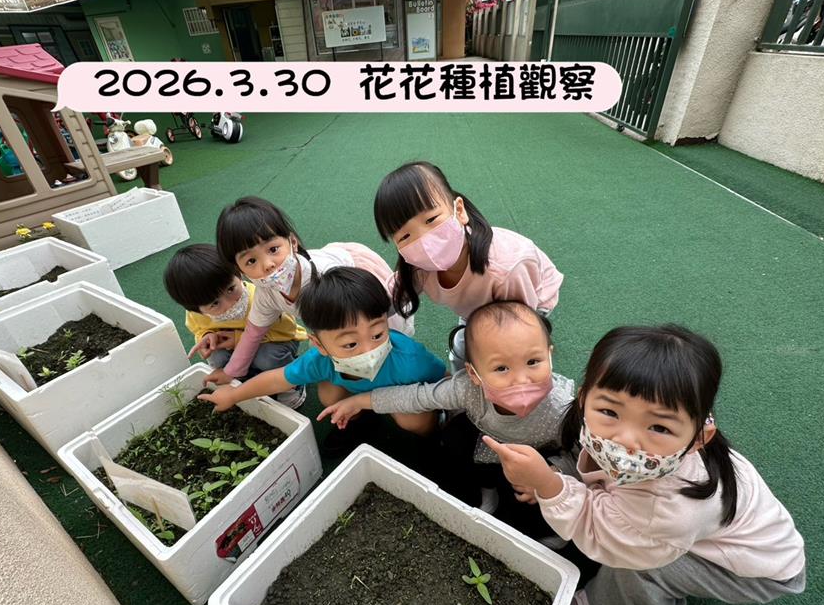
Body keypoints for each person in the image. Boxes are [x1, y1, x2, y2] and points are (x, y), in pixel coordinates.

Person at [485, 325, 806, 605]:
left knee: (637, 567)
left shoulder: (668, 509)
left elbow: (613, 540)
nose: (626, 440)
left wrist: (548, 484)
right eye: (609, 411)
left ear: (699, 438)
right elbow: (591, 459)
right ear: (584, 399)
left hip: (758, 570)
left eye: (658, 427)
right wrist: (558, 473)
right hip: (699, 532)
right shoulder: (653, 451)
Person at [318, 300, 574, 524]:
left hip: (535, 460)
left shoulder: (563, 409)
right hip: (486, 447)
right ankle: (484, 487)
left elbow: (581, 457)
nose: (521, 379)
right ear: (473, 373)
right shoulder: (468, 388)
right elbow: (418, 396)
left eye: (533, 362)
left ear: (549, 355)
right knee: (454, 437)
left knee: (527, 511)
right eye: (501, 368)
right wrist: (360, 401)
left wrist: (552, 475)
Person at [201, 267, 444, 448]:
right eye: (350, 344)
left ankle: (433, 438)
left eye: (378, 334)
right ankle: (361, 421)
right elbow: (277, 379)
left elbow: (443, 379)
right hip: (354, 394)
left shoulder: (408, 358)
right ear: (319, 345)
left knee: (412, 419)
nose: (368, 350)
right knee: (329, 396)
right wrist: (233, 395)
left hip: (400, 399)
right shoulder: (320, 360)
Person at [207, 196, 413, 387]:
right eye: (251, 261)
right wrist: (231, 372)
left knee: (378, 327)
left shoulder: (324, 276)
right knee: (337, 347)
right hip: (330, 302)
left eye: (273, 249)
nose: (268, 265)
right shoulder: (266, 295)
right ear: (240, 271)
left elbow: (373, 307)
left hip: (355, 281)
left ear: (292, 242)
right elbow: (253, 333)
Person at [373, 161, 563, 367]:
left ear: (459, 210)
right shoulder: (418, 269)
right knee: (463, 348)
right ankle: (463, 378)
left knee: (492, 351)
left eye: (431, 220)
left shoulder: (505, 268)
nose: (424, 240)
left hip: (530, 296)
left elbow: (520, 324)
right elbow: (387, 299)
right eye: (405, 236)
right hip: (477, 305)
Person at [163, 244, 305, 407]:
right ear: (196, 309)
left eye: (231, 289)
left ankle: (291, 386)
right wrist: (207, 336)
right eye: (215, 303)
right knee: (216, 355)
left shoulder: (259, 299)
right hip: (234, 346)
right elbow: (199, 328)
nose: (230, 304)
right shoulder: (197, 314)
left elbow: (287, 331)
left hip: (276, 342)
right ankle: (240, 380)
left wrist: (239, 339)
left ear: (238, 273)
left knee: (266, 358)